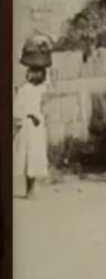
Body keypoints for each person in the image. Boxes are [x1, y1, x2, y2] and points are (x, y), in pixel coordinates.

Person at [13, 65, 49, 199]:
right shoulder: (23, 89)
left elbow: (43, 107)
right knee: (28, 157)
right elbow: (17, 109)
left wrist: (41, 115)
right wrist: (25, 118)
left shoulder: (40, 89)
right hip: (28, 125)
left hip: (36, 127)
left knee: (35, 156)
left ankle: (32, 187)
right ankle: (29, 188)